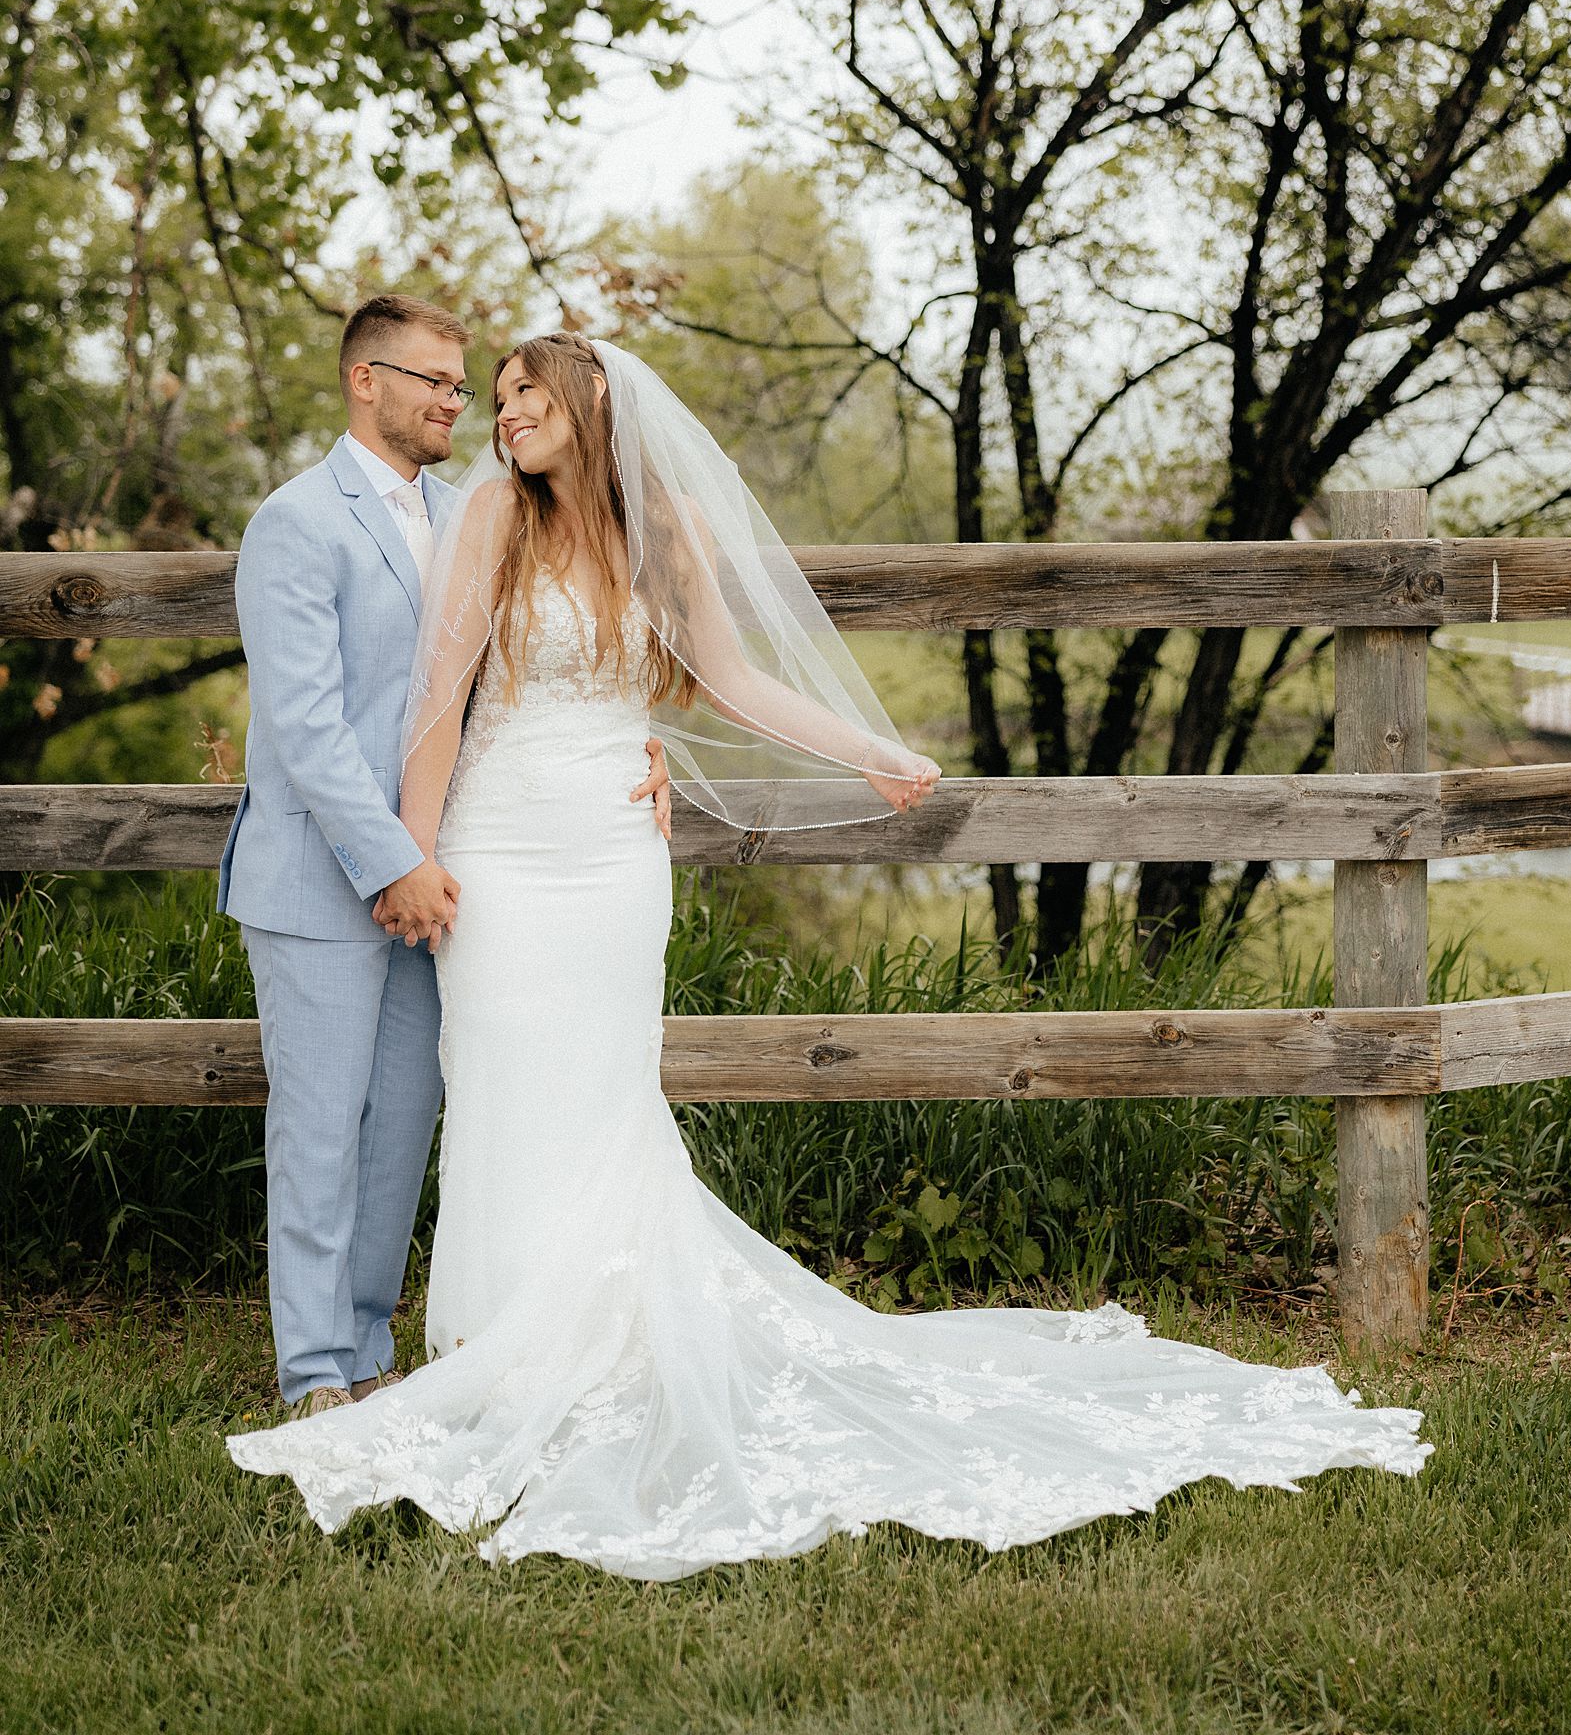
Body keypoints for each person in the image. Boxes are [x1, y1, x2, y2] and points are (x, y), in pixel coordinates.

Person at [228, 331, 1428, 1573]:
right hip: (500, 858)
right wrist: (414, 863)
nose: (501, 416)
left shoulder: (666, 524)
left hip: (609, 861)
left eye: (522, 396)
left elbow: (733, 679)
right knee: (499, 1100)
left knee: (599, 1099)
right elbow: (437, 699)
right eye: (491, 402)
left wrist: (867, 749)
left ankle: (615, 1350)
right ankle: (497, 1354)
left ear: (589, 405)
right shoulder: (489, 517)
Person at [221, 296, 671, 1413]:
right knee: (321, 1131)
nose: (454, 403)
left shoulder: (483, 508)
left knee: (400, 1129)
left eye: (463, 386)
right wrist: (393, 862)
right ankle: (315, 1372)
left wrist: (637, 737)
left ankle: (370, 1349)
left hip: (458, 871)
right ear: (362, 381)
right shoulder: (296, 521)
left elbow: (521, 667)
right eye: (432, 380)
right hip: (330, 875)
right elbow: (306, 729)